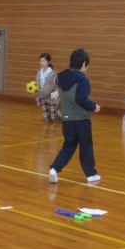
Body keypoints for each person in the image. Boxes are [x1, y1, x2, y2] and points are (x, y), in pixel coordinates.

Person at [48, 48, 101, 184]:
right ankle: (91, 174)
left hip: (67, 121)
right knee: (86, 147)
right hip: (81, 121)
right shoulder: (83, 80)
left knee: (68, 146)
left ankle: (54, 169)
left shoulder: (61, 78)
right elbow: (81, 99)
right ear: (83, 64)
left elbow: (55, 94)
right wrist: (93, 106)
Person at [35, 53, 62, 122]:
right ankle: (54, 111)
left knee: (53, 118)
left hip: (53, 95)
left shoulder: (53, 74)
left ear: (49, 62)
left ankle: (59, 114)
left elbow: (48, 88)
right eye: (41, 61)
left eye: (44, 61)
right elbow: (38, 86)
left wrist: (40, 95)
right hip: (43, 95)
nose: (42, 63)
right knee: (47, 118)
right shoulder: (39, 72)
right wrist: (38, 99)